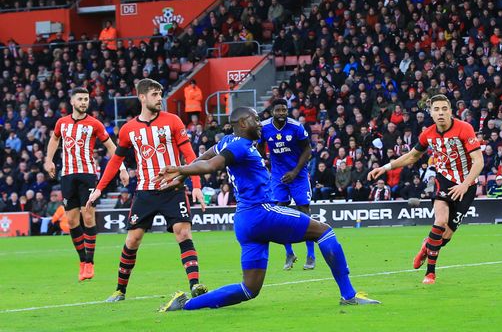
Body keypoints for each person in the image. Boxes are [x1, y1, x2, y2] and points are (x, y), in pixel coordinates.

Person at [154, 106, 379, 311]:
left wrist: (184, 172)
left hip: (245, 221)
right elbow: (212, 164)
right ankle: (349, 294)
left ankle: (186, 304)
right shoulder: (240, 145)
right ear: (242, 124)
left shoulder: (227, 142)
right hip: (262, 212)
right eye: (255, 119)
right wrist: (182, 169)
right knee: (324, 231)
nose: (261, 124)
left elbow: (208, 155)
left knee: (249, 289)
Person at [86, 79, 207, 302]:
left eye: (160, 94)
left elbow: (190, 155)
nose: (159, 98)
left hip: (174, 189)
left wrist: (196, 185)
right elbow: (115, 161)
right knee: (133, 240)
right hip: (145, 192)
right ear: (142, 97)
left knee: (183, 232)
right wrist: (99, 189)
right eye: (154, 94)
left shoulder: (173, 121)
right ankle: (120, 290)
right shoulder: (128, 129)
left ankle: (195, 284)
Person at [368, 94, 484, 285]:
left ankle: (425, 247)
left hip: (467, 186)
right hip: (443, 181)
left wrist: (464, 184)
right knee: (440, 221)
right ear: (430, 112)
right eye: (436, 109)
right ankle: (430, 273)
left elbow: (479, 161)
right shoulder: (428, 134)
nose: (440, 113)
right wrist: (385, 167)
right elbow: (411, 156)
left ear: (450, 111)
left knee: (445, 237)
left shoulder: (465, 128)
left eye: (444, 109)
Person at [44, 87, 129, 281]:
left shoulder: (94, 124)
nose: (84, 102)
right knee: (72, 220)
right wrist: (48, 160)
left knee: (88, 216)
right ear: (72, 101)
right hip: (67, 175)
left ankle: (90, 262)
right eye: (81, 99)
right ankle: (82, 261)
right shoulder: (61, 123)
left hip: (88, 174)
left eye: (86, 99)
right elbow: (54, 140)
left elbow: (111, 146)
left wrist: (122, 167)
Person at [258, 99, 316, 270]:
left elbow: (308, 150)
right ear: (272, 111)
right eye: (278, 110)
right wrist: (265, 162)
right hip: (278, 177)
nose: (282, 113)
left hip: (298, 175)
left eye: (284, 110)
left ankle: (311, 255)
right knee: (279, 215)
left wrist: (295, 172)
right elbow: (260, 146)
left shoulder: (296, 127)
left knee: (304, 213)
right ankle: (289, 253)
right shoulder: (264, 127)